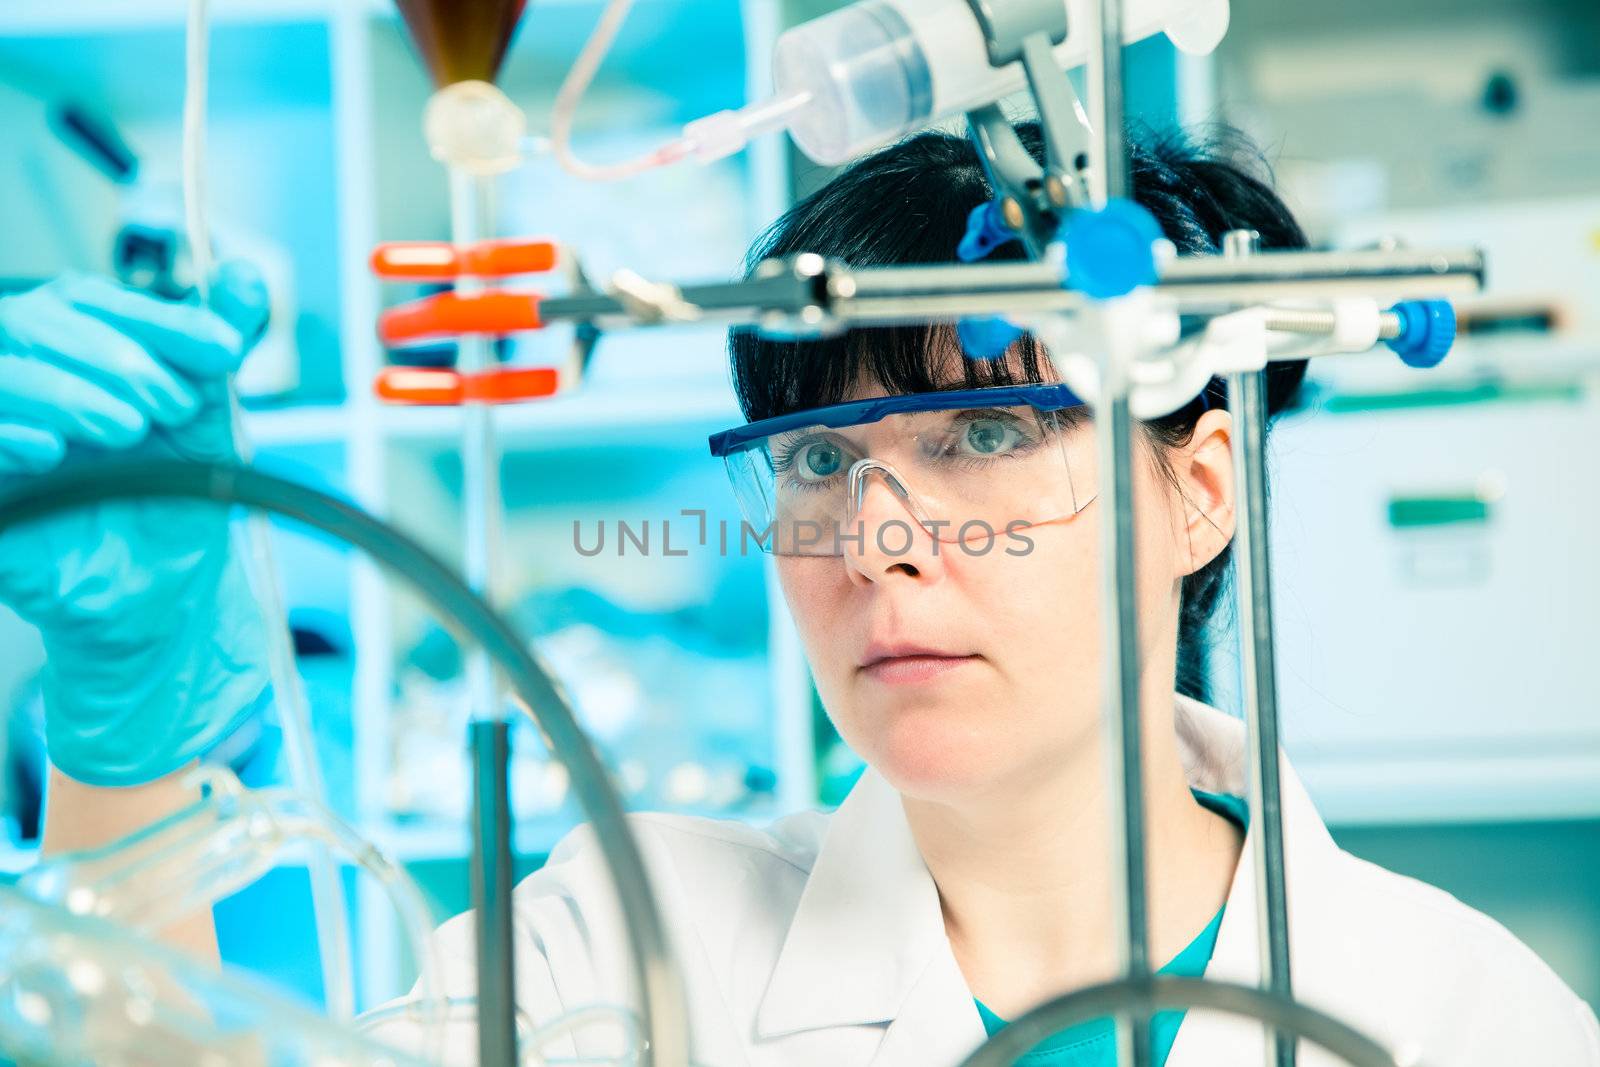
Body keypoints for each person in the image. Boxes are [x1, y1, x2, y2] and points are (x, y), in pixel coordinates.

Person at [15, 125, 1600, 1066]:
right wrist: (125, 729)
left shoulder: (1463, 1018)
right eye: (820, 459)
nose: (878, 538)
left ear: (1199, 488)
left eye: (987, 433)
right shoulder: (620, 962)